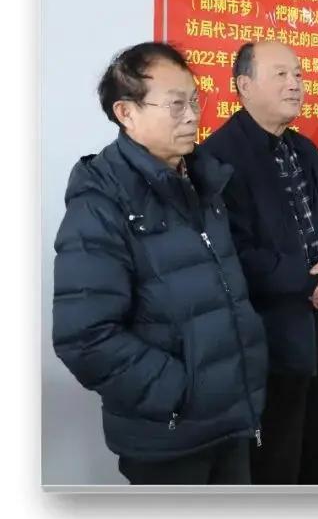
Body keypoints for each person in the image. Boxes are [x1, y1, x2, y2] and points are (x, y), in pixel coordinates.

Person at [52, 42, 267, 484]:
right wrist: (180, 392)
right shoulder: (101, 201)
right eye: (175, 105)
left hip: (230, 418)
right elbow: (84, 337)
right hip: (170, 437)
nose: (192, 116)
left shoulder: (204, 180)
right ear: (126, 113)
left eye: (194, 101)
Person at [201, 41, 318, 484]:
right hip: (271, 332)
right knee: (278, 452)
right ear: (244, 85)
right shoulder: (218, 158)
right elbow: (231, 251)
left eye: (298, 74)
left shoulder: (301, 148)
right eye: (281, 74)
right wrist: (309, 280)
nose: (295, 84)